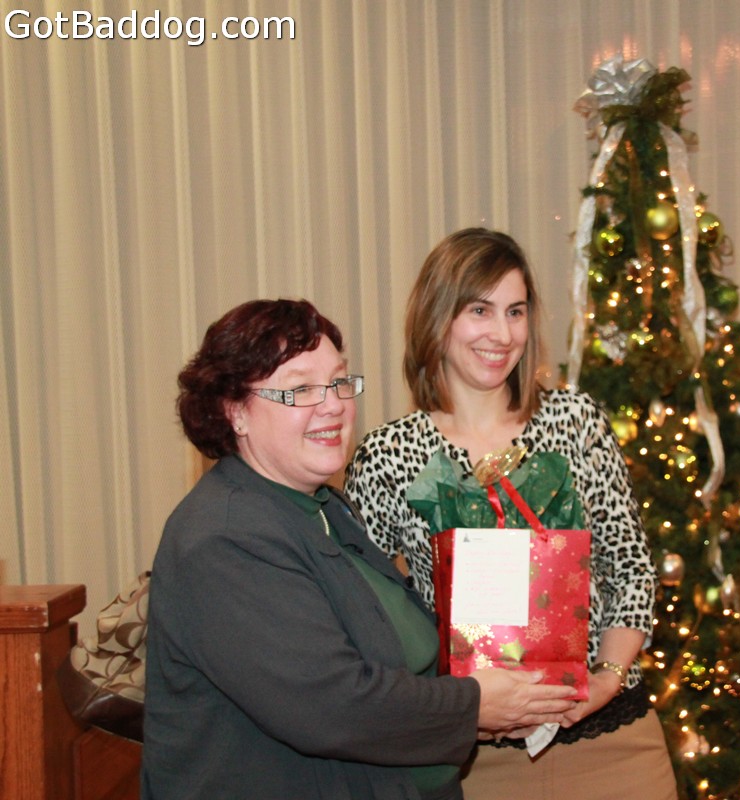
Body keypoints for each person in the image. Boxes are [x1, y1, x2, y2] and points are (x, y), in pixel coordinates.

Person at [142, 298, 576, 800]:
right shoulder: (225, 538)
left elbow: (393, 658)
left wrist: (499, 692)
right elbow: (330, 705)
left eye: (339, 382)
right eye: (301, 389)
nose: (332, 404)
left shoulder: (324, 508)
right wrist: (477, 706)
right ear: (235, 410)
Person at [345, 229, 678, 799]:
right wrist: (452, 704)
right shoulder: (386, 455)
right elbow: (368, 620)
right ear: (437, 317)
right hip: (473, 765)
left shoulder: (575, 422)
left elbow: (630, 569)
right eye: (480, 310)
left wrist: (606, 680)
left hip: (613, 744)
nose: (502, 334)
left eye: (515, 311)